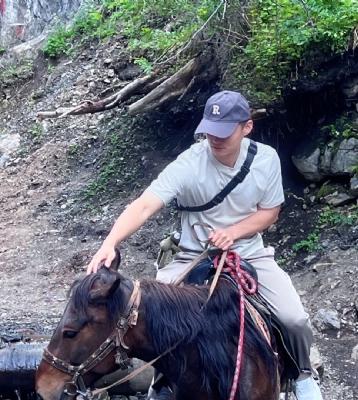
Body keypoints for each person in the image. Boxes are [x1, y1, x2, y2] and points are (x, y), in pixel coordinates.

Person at [87, 90, 323, 400]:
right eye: (211, 130)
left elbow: (270, 212)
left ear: (247, 127)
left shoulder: (265, 159)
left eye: (224, 131)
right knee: (157, 315)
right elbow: (144, 205)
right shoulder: (189, 164)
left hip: (249, 253)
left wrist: (233, 232)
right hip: (193, 256)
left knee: (294, 318)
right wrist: (111, 242)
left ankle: (302, 374)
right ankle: (163, 381)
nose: (215, 138)